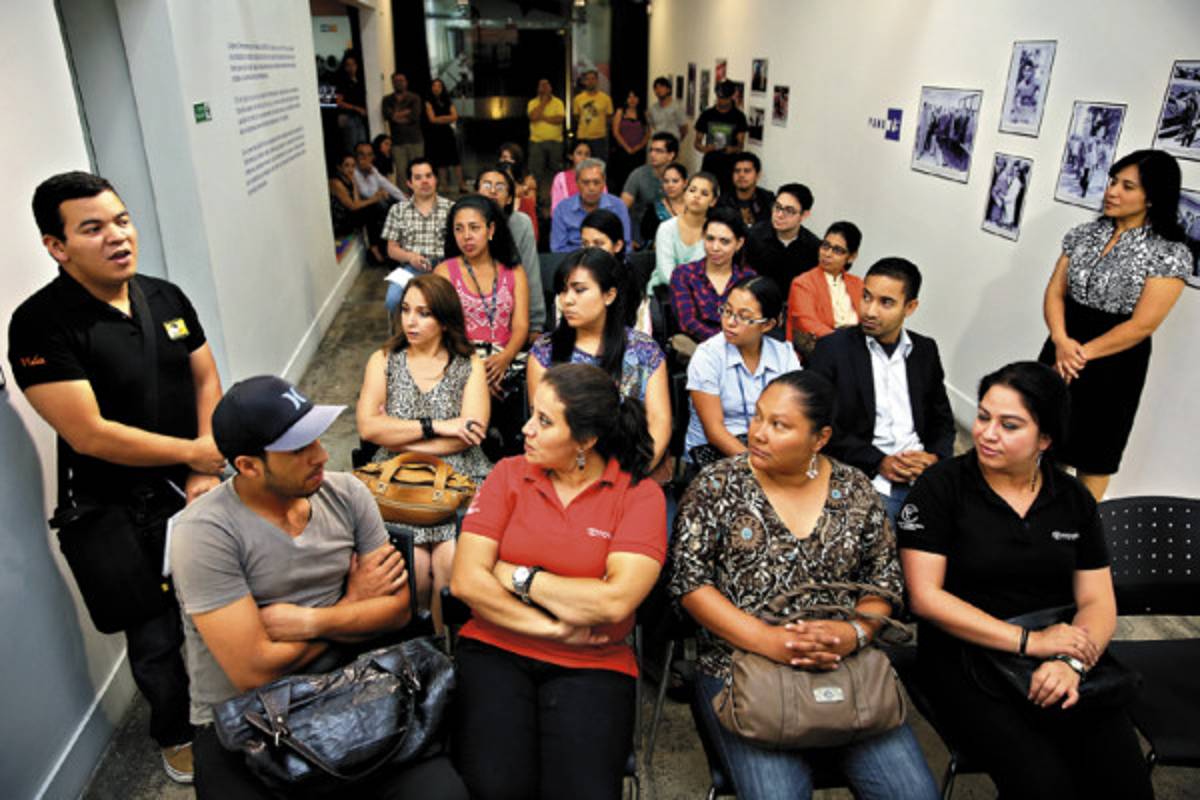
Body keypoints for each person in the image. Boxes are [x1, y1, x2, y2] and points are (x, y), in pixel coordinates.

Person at [9, 172, 227, 783]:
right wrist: (195, 453)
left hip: (195, 486)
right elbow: (90, 434)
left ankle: (236, 707)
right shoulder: (40, 324)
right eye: (93, 228)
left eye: (122, 220)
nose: (117, 236)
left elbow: (206, 378)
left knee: (221, 600)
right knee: (154, 635)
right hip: (117, 508)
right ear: (57, 246)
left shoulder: (164, 296)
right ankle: (176, 733)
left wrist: (201, 465)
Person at [172, 375, 467, 799]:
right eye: (298, 449)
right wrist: (353, 606)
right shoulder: (204, 533)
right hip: (249, 719)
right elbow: (254, 670)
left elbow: (397, 610)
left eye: (315, 438)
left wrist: (308, 621)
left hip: (354, 685)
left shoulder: (346, 492)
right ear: (249, 466)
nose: (321, 455)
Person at [671, 371, 940, 800]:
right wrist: (768, 641)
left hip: (844, 666)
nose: (758, 433)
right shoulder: (716, 486)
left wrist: (855, 632)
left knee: (913, 794)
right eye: (758, 417)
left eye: (779, 425)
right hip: (741, 666)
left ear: (820, 438)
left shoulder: (855, 489)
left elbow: (882, 579)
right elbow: (690, 582)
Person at [899, 361, 1154, 800]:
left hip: (1056, 652)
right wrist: (1029, 643)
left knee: (1124, 784)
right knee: (1044, 786)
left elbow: (1097, 601)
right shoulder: (942, 487)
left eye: (1009, 425)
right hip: (965, 658)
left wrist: (1071, 664)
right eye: (984, 416)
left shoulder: (1072, 498)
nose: (987, 433)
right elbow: (925, 597)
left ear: (1045, 439)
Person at [450, 362, 667, 800]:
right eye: (533, 414)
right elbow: (466, 582)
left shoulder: (638, 495)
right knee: (495, 788)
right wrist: (552, 628)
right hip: (495, 648)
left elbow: (613, 602)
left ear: (585, 441)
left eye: (545, 421)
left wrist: (517, 576)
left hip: (595, 662)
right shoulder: (508, 474)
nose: (526, 429)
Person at [1038, 149, 1190, 500]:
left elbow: (1142, 325)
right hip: (1062, 344)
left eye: (1127, 186)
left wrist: (1080, 355)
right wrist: (1061, 340)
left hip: (1115, 360)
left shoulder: (1169, 253)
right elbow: (1055, 292)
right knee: (1046, 437)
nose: (1112, 191)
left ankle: (1080, 527)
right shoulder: (1083, 234)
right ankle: (1036, 514)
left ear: (1152, 197)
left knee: (1096, 452)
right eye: (1112, 182)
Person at [358, 274, 491, 628]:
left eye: (423, 313)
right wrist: (438, 426)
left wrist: (396, 435)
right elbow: (368, 428)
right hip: (397, 479)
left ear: (445, 320)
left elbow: (470, 433)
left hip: (459, 475)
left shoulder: (469, 363)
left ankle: (447, 647)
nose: (410, 321)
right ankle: (421, 645)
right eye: (405, 310)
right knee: (413, 569)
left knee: (449, 567)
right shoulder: (383, 360)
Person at [807, 258, 955, 522]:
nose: (870, 311)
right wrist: (879, 461)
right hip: (867, 475)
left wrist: (934, 458)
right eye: (866, 297)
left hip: (923, 473)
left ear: (910, 307)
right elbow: (820, 425)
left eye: (886, 302)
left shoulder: (924, 350)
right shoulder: (832, 350)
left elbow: (942, 419)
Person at [528, 248, 671, 469]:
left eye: (579, 290)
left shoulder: (644, 350)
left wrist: (637, 474)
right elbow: (543, 427)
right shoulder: (546, 352)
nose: (567, 301)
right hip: (566, 469)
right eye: (563, 291)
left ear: (609, 295)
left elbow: (659, 422)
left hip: (632, 467)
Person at [684, 274, 798, 467]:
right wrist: (757, 465)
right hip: (715, 453)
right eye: (727, 311)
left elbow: (792, 414)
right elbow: (714, 432)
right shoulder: (708, 356)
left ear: (768, 325)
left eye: (744, 317)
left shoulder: (784, 354)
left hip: (769, 447)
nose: (730, 322)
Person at [434, 195, 529, 400]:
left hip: (506, 358)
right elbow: (442, 329)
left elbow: (521, 325)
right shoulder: (444, 272)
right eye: (459, 229)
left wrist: (504, 358)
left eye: (474, 227)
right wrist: (477, 370)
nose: (466, 236)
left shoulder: (514, 272)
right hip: (461, 359)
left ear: (491, 230)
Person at [476, 165, 546, 337]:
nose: (493, 191)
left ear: (509, 199)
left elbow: (531, 273)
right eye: (486, 185)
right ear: (476, 193)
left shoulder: (521, 223)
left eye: (500, 187)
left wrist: (535, 325)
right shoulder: (462, 221)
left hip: (512, 311)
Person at [669, 207, 757, 344]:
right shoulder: (684, 274)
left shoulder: (748, 278)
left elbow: (753, 321)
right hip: (698, 347)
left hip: (741, 347)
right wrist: (725, 341)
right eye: (710, 239)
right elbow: (688, 322)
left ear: (739, 243)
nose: (715, 247)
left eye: (724, 241)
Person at [382, 158, 455, 316]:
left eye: (429, 176)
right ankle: (404, 331)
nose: (424, 181)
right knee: (393, 300)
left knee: (451, 301)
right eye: (418, 177)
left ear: (435, 179)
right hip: (411, 268)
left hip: (445, 266)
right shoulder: (398, 210)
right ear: (409, 183)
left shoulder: (452, 208)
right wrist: (410, 257)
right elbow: (391, 249)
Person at [786, 221, 864, 347]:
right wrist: (843, 344)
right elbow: (807, 323)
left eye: (837, 250)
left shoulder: (858, 284)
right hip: (822, 346)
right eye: (825, 246)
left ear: (851, 257)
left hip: (857, 344)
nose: (827, 254)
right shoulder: (803, 283)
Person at [744, 182, 821, 301]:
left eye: (789, 211)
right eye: (777, 207)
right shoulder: (753, 236)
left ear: (804, 215)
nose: (779, 215)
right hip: (756, 303)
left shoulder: (814, 247)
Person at [649, 171, 718, 291]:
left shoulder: (715, 233)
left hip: (702, 294)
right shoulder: (666, 228)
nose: (696, 196)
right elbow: (666, 275)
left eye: (704, 193)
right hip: (664, 292)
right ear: (685, 194)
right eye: (692, 190)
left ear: (713, 201)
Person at [550, 158, 631, 253]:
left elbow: (626, 246)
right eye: (586, 183)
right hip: (575, 261)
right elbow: (557, 249)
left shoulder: (618, 206)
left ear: (604, 183)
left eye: (596, 182)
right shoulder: (562, 209)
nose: (591, 188)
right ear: (577, 183)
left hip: (609, 260)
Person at [329, 153, 389, 264]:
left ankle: (380, 248)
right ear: (339, 167)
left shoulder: (350, 179)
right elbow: (352, 206)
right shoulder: (335, 183)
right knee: (373, 210)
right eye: (346, 165)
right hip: (340, 223)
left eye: (353, 166)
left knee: (377, 210)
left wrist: (354, 183)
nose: (350, 169)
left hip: (350, 216)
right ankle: (375, 249)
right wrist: (373, 199)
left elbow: (357, 202)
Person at [621, 131, 678, 245]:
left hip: (670, 232)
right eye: (651, 150)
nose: (652, 154)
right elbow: (622, 208)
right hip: (639, 232)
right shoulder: (638, 174)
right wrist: (626, 238)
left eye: (658, 151)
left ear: (671, 155)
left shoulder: (679, 177)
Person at [693, 80, 748, 194]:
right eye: (719, 97)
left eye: (725, 98)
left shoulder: (738, 117)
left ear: (731, 97)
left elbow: (740, 146)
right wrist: (705, 148)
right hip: (710, 163)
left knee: (727, 196)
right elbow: (697, 143)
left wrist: (732, 149)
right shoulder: (707, 115)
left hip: (729, 166)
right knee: (706, 193)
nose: (721, 101)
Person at [527, 78, 566, 217]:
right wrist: (543, 103)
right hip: (536, 142)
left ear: (551, 87)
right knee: (535, 173)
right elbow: (533, 117)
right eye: (541, 85)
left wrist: (542, 117)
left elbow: (559, 119)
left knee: (556, 172)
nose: (544, 87)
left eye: (546, 85)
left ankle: (558, 199)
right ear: (538, 88)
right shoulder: (532, 103)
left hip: (556, 142)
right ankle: (536, 202)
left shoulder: (558, 102)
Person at [381, 72, 425, 186]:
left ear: (406, 82)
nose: (399, 83)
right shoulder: (387, 99)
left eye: (401, 80)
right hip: (397, 141)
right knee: (401, 172)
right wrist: (405, 113)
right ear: (392, 83)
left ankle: (419, 194)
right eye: (396, 81)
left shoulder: (414, 98)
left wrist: (396, 116)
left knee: (417, 171)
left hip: (415, 140)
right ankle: (403, 196)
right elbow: (388, 116)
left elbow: (414, 116)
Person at [424, 78, 467, 195]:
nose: (436, 88)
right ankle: (444, 186)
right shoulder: (428, 102)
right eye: (434, 86)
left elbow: (455, 116)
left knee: (455, 160)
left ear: (442, 88)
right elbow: (432, 119)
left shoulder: (448, 101)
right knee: (441, 161)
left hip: (448, 133)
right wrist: (447, 118)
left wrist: (441, 118)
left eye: (439, 86)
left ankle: (461, 184)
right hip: (436, 134)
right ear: (431, 88)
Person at [609, 89, 650, 194]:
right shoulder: (620, 112)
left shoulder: (644, 113)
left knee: (638, 178)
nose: (632, 99)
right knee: (621, 178)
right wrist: (627, 148)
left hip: (638, 152)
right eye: (629, 97)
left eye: (635, 97)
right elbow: (615, 132)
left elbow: (648, 133)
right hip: (622, 151)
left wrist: (639, 147)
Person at [718, 152, 774, 227]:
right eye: (737, 171)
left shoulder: (768, 199)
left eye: (747, 171)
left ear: (758, 175)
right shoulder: (722, 202)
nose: (741, 175)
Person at [640, 161, 687, 245]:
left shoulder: (694, 208)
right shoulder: (654, 209)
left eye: (675, 181)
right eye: (666, 181)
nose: (670, 185)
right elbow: (647, 237)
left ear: (685, 183)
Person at [573, 68, 614, 161]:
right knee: (582, 165)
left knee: (599, 164)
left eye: (593, 79)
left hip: (599, 138)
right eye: (588, 79)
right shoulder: (578, 99)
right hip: (583, 137)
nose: (590, 81)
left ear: (597, 81)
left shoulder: (606, 98)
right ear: (584, 81)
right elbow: (576, 117)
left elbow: (609, 117)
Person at [334, 53, 369, 155]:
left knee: (363, 146)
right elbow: (338, 102)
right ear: (345, 67)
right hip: (348, 117)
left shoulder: (360, 80)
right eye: (348, 65)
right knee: (352, 148)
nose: (351, 67)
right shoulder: (342, 82)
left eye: (353, 64)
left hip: (360, 118)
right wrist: (357, 108)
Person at [353, 140, 406, 205]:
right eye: (361, 154)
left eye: (369, 155)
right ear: (355, 156)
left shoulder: (372, 169)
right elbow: (368, 194)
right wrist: (380, 192)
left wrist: (405, 200)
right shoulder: (353, 171)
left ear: (373, 157)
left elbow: (388, 186)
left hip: (375, 204)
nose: (365, 158)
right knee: (383, 202)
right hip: (365, 207)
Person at [551, 140, 596, 214]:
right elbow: (555, 208)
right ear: (571, 156)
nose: (583, 157)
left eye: (587, 154)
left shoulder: (597, 177)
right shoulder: (560, 178)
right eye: (579, 153)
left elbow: (603, 206)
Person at [647, 75, 688, 140]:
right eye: (656, 88)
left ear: (668, 89)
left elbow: (684, 129)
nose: (658, 90)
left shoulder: (677, 107)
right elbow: (651, 126)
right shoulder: (652, 108)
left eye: (661, 87)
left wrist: (676, 141)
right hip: (658, 142)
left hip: (672, 142)